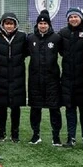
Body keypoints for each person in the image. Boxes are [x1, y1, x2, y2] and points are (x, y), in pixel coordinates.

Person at [27, 10, 63, 146]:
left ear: (49, 24)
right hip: (35, 80)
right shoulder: (30, 39)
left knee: (55, 108)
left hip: (52, 80)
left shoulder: (56, 38)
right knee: (35, 108)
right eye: (40, 23)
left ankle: (56, 136)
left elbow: (65, 53)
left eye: (45, 23)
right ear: (37, 24)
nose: (42, 26)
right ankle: (36, 135)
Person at [0, 12, 28, 142]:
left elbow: (27, 52)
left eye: (11, 24)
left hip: (17, 76)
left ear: (15, 24)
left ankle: (15, 134)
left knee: (15, 106)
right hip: (1, 76)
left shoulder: (22, 37)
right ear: (2, 25)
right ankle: (1, 133)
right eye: (6, 23)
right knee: (2, 106)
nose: (9, 26)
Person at [58, 7, 83, 148]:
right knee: (70, 107)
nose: (73, 19)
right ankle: (71, 137)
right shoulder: (63, 33)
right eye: (70, 17)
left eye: (75, 16)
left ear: (81, 18)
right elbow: (60, 50)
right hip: (67, 77)